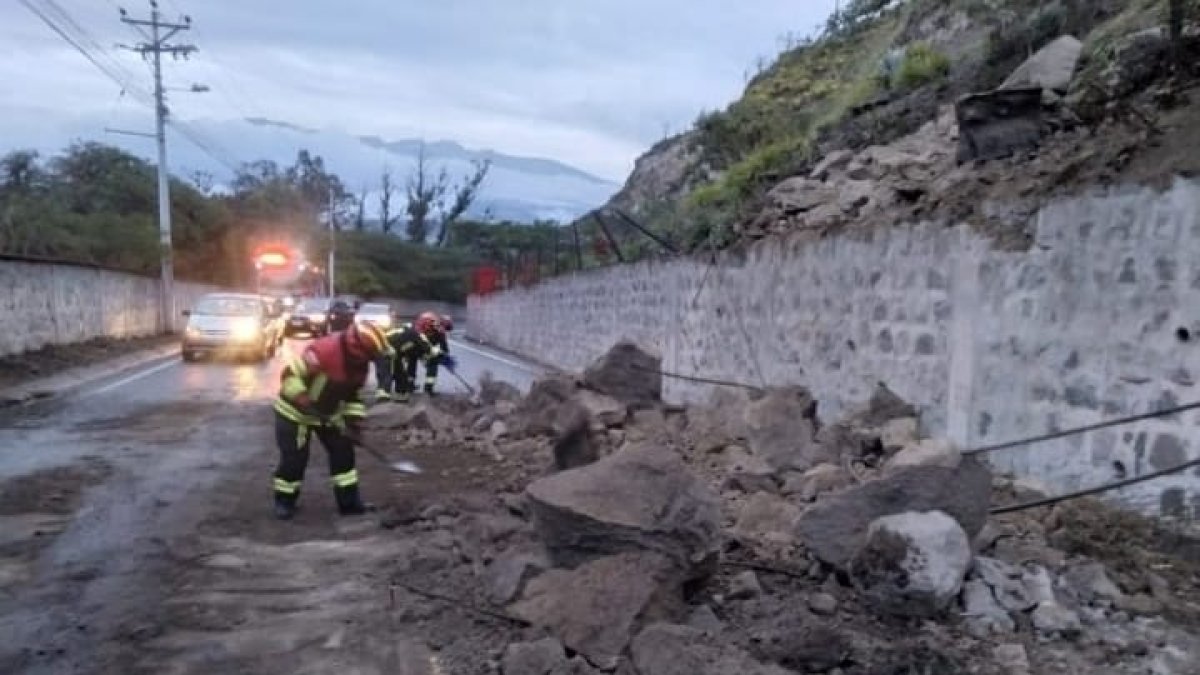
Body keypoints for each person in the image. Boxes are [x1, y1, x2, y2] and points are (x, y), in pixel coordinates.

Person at [272, 321, 393, 520]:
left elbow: (353, 396)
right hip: (295, 414)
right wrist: (300, 395)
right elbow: (289, 375)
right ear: (357, 349)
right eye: (370, 355)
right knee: (295, 459)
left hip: (328, 416)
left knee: (343, 454)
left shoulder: (359, 367)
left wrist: (354, 421)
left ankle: (349, 504)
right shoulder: (325, 350)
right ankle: (284, 501)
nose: (370, 361)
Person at [375, 312, 444, 403]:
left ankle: (400, 398)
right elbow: (429, 349)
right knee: (387, 374)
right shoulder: (418, 334)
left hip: (392, 352)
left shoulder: (409, 329)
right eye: (431, 329)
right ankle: (383, 399)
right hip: (386, 350)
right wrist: (439, 353)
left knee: (400, 375)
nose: (431, 333)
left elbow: (412, 349)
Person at [422, 314, 454, 394]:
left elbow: (443, 343)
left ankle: (428, 388)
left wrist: (445, 354)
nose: (444, 330)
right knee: (432, 368)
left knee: (432, 369)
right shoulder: (432, 328)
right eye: (445, 328)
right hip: (425, 349)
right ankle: (428, 390)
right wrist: (440, 352)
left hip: (430, 350)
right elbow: (427, 342)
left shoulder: (439, 329)